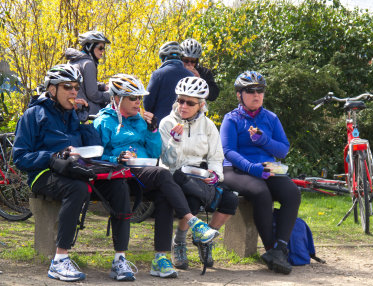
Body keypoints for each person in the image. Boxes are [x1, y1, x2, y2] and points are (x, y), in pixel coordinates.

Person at [12, 64, 136, 282]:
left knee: (119, 186)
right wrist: (51, 158)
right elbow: (20, 158)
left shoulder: (72, 115)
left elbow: (94, 150)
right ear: (52, 90)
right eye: (67, 87)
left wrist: (83, 120)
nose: (73, 92)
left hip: (77, 170)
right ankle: (60, 260)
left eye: (76, 87)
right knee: (77, 189)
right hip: (43, 174)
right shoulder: (33, 114)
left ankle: (119, 259)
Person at [93, 74, 220, 278]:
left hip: (143, 172)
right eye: (133, 98)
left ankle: (160, 258)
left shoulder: (141, 121)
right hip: (118, 174)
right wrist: (116, 157)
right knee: (162, 176)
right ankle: (193, 222)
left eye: (139, 98)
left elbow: (153, 153)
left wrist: (152, 131)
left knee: (164, 193)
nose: (138, 102)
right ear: (117, 99)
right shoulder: (103, 121)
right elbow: (96, 155)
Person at [219, 71, 301, 275]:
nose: (256, 94)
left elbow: (282, 150)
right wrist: (250, 167)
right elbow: (228, 151)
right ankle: (270, 248)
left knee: (292, 193)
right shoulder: (231, 119)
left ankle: (280, 249)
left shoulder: (271, 118)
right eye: (250, 90)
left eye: (260, 90)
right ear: (239, 94)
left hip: (266, 168)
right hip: (235, 170)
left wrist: (264, 140)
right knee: (261, 193)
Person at [159, 76, 238, 270]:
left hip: (200, 175)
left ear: (201, 105)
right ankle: (178, 242)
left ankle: (206, 239)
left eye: (189, 103)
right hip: (174, 175)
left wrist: (215, 175)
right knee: (193, 201)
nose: (183, 106)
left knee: (230, 199)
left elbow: (216, 157)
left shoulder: (208, 125)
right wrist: (174, 141)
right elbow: (168, 162)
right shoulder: (167, 123)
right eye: (180, 100)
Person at [65, 30, 111, 120]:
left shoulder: (73, 61)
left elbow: (83, 82)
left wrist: (102, 86)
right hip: (85, 112)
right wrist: (111, 95)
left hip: (72, 109)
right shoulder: (88, 63)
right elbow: (93, 95)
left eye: (104, 48)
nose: (103, 51)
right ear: (90, 47)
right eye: (100, 47)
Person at [144, 41, 193, 122]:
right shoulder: (191, 75)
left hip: (161, 123)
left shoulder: (158, 74)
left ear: (163, 58)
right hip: (184, 124)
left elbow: (148, 101)